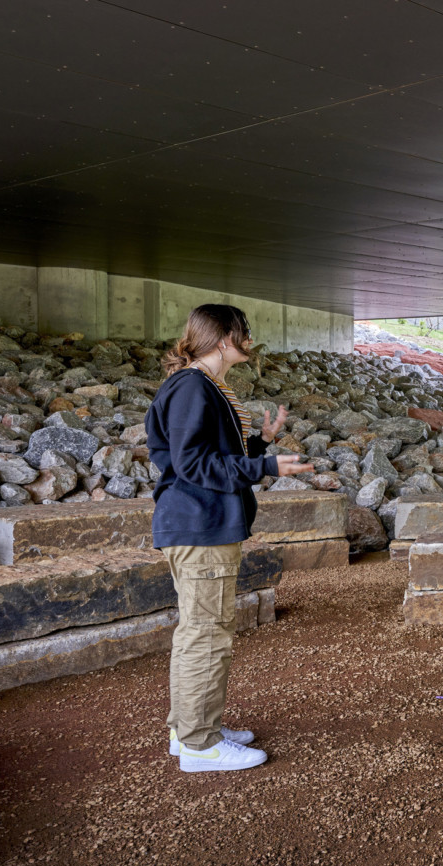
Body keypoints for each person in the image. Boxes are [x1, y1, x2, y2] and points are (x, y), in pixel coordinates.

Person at [147, 304, 313, 773]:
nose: (250, 339)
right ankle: (200, 745)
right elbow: (192, 465)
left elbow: (206, 456)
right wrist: (265, 466)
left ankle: (191, 730)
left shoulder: (200, 386)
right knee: (207, 635)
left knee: (197, 633)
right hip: (200, 526)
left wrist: (259, 442)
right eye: (244, 332)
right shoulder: (193, 386)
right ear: (223, 339)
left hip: (201, 524)